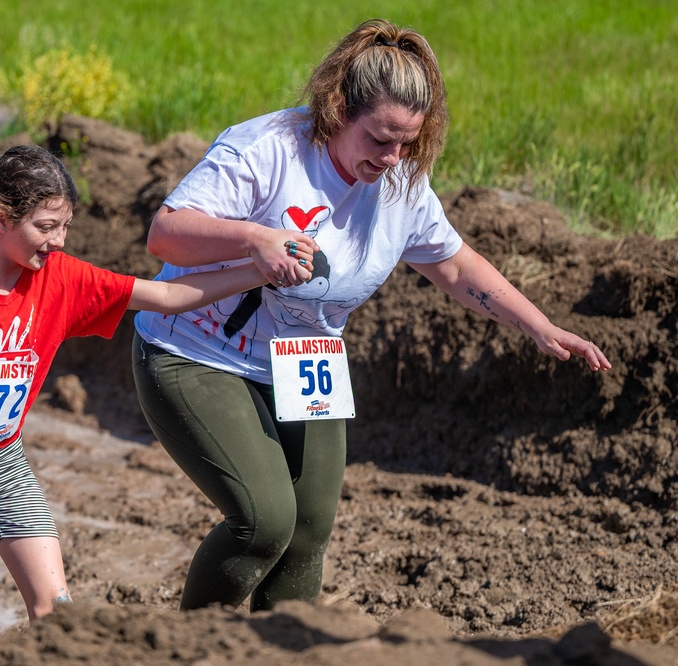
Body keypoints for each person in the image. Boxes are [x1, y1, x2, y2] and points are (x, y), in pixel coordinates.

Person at [131, 18, 612, 613]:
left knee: (307, 533)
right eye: (380, 138)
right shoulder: (268, 149)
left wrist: (539, 325)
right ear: (338, 110)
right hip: (198, 351)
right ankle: (190, 648)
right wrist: (254, 238)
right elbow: (166, 234)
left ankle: (286, 654)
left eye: (407, 141)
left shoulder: (404, 184)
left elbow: (457, 268)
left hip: (303, 360)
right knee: (264, 523)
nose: (393, 157)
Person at [0, 144, 316, 632]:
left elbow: (165, 294)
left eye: (66, 226)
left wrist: (259, 268)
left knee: (57, 613)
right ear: (0, 218)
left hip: (3, 466)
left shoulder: (61, 278)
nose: (60, 241)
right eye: (46, 227)